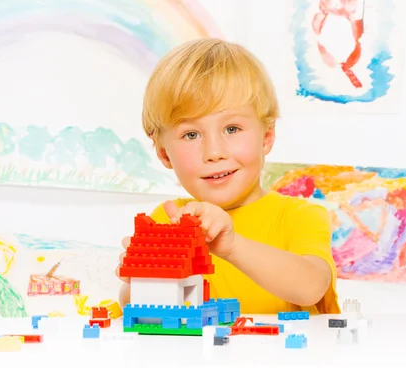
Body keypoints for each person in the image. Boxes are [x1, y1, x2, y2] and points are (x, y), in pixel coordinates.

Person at [116, 38, 340, 315]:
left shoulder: (300, 216)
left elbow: (310, 287)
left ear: (266, 137)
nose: (214, 152)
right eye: (191, 134)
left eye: (232, 129)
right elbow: (137, 309)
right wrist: (139, 275)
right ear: (164, 154)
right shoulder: (168, 219)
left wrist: (232, 246)